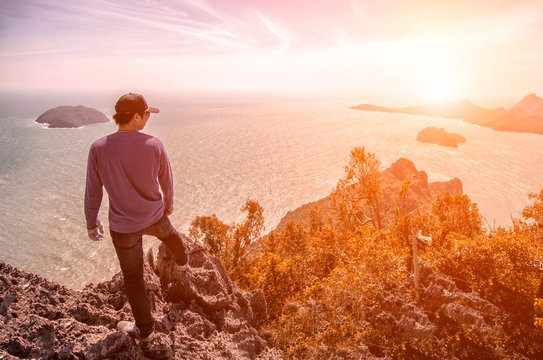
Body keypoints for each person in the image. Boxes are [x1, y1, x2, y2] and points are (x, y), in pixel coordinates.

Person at [84, 93, 188, 342]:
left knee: (133, 278)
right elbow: (167, 180)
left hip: (123, 226)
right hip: (154, 215)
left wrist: (91, 223)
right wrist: (169, 205)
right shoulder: (154, 144)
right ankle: (183, 266)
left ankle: (146, 330)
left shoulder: (98, 148)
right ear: (136, 116)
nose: (149, 117)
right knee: (171, 237)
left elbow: (93, 190)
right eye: (147, 113)